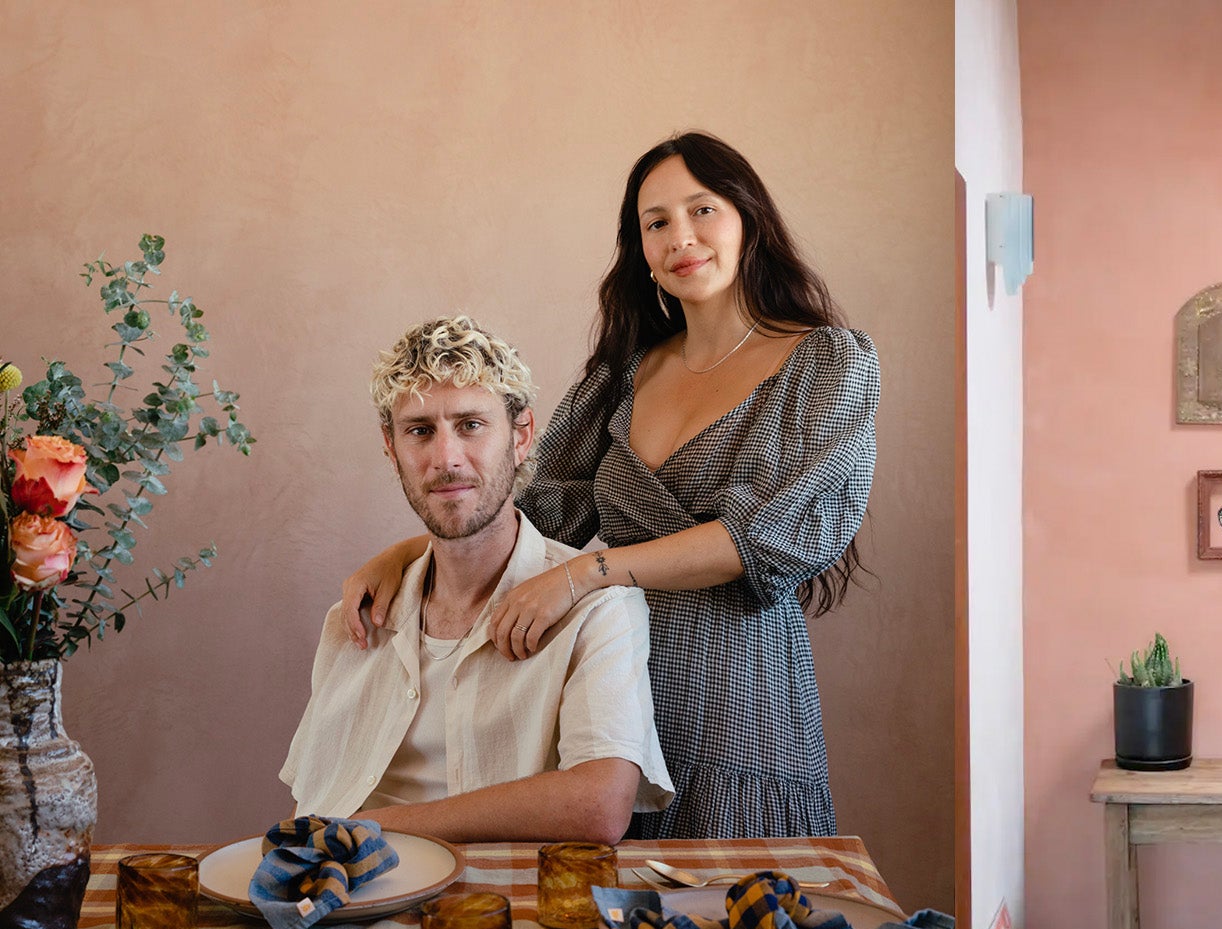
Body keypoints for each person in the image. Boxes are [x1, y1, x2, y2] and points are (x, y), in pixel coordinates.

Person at [340, 132, 878, 839]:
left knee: (731, 920)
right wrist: (407, 555)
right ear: (642, 251)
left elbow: (767, 542)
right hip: (606, 689)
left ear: (749, 219)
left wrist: (588, 575)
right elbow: (529, 519)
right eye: (656, 223)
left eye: (702, 210)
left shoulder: (828, 361)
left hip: (738, 696)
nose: (680, 237)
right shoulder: (622, 374)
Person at [283, 315, 674, 844]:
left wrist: (375, 830)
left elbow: (599, 808)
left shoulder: (598, 612)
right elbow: (312, 797)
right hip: (343, 895)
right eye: (420, 431)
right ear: (390, 446)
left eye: (470, 425)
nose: (446, 459)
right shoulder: (355, 618)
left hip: (493, 902)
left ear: (521, 435)